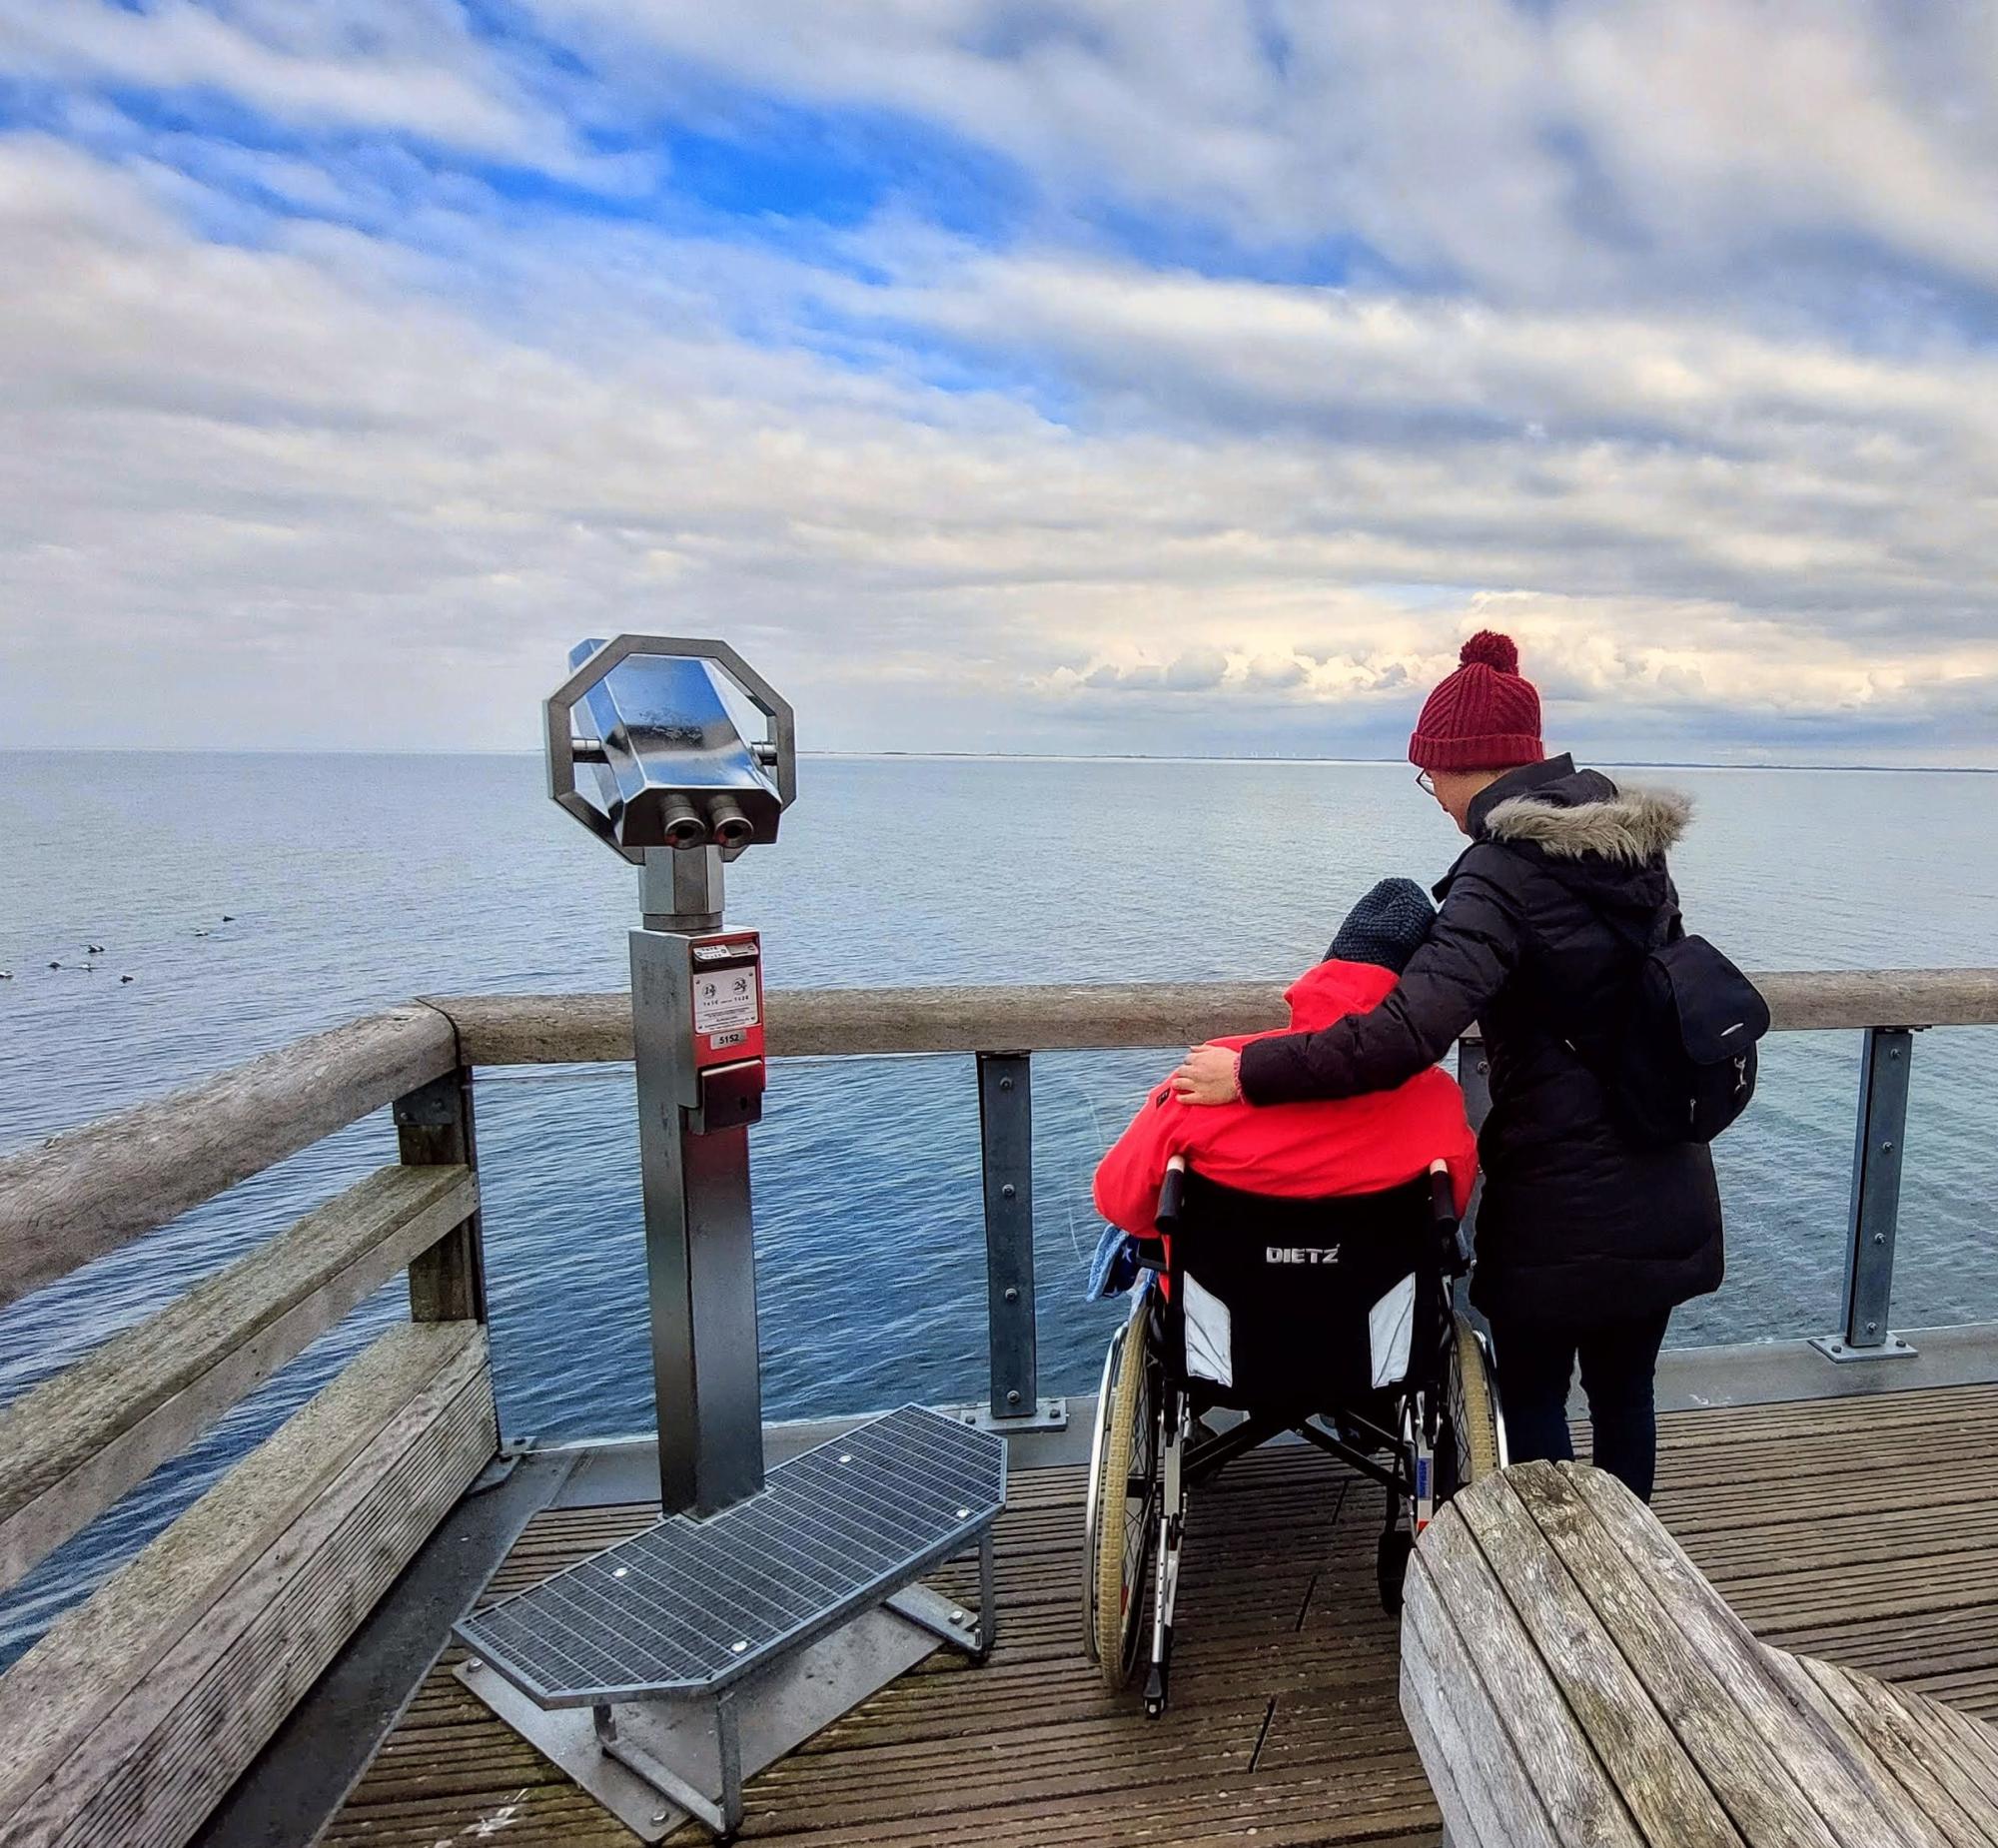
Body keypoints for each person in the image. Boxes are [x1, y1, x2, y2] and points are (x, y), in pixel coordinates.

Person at [1169, 631, 1722, 1502]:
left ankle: (1551, 1572)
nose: (1434, 797)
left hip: (1560, 1195)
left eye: (1430, 776)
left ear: (1470, 765)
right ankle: (1633, 1563)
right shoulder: (1631, 850)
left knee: (1533, 1395)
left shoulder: (1500, 873)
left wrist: (1252, 1072)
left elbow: (1404, 1034)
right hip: (1665, 1166)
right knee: (1625, 1391)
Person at [1092, 879, 1477, 1240]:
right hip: (1381, 1290)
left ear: (1328, 966)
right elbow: (1451, 1209)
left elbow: (1117, 1202)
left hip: (1220, 1288)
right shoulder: (1439, 1102)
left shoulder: (1209, 1077)